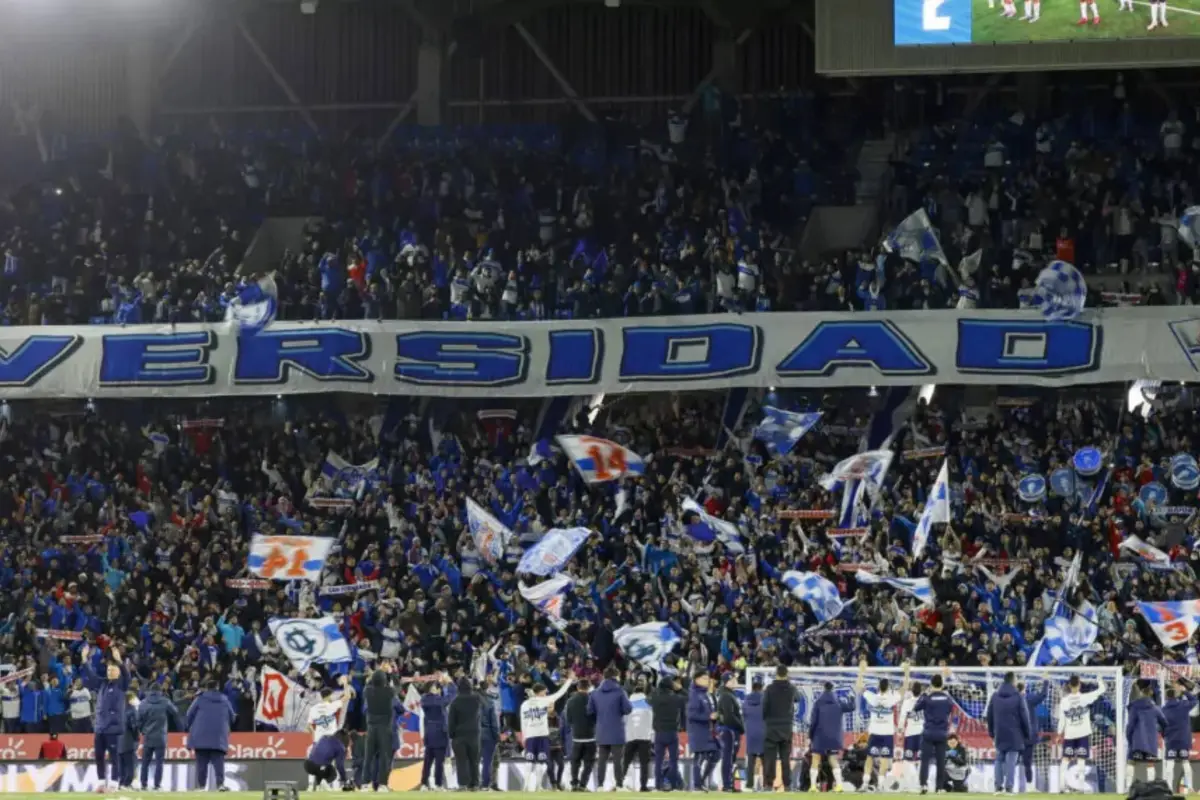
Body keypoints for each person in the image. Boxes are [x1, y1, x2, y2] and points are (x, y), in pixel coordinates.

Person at [82, 644, 129, 792]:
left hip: (113, 728)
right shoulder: (102, 684)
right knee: (99, 757)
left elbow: (127, 675)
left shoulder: (122, 685)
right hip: (100, 727)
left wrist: (119, 661)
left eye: (112, 669)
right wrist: (84, 659)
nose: (109, 671)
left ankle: (114, 784)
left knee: (114, 758)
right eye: (108, 669)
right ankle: (101, 783)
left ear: (118, 672)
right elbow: (91, 675)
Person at [520, 673, 575, 792]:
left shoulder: (524, 704)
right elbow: (560, 693)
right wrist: (569, 680)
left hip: (530, 736)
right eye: (544, 692)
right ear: (539, 692)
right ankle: (538, 786)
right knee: (540, 761)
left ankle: (526, 785)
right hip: (542, 735)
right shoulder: (544, 701)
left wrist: (523, 738)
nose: (546, 694)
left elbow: (523, 722)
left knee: (530, 761)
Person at [860, 661, 909, 792]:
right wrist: (906, 672)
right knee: (884, 759)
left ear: (878, 687)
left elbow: (859, 687)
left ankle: (865, 784)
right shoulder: (891, 698)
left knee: (869, 758)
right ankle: (881, 785)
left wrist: (862, 670)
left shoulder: (873, 697)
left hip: (874, 733)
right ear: (888, 688)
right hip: (887, 733)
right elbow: (904, 689)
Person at [1056, 674, 1105, 792]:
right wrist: (1099, 679)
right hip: (1083, 733)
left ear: (1069, 685)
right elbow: (1102, 689)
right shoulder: (1085, 697)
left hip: (1070, 734)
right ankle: (1081, 787)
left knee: (1065, 760)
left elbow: (1062, 719)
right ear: (1079, 685)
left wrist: (1058, 733)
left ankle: (1061, 786)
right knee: (1081, 760)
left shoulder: (1064, 701)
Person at [186, 679, 236, 792]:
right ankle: (220, 785)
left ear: (206, 688)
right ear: (217, 687)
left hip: (200, 734)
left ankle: (201, 786)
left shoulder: (199, 699)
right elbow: (232, 717)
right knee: (218, 761)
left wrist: (189, 727)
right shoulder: (225, 700)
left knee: (201, 763)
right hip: (218, 735)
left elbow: (189, 714)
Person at [985, 671, 1031, 794]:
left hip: (999, 733)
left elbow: (989, 716)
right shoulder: (1018, 697)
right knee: (1011, 760)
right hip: (1015, 733)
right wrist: (1027, 733)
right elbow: (1024, 717)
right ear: (1013, 681)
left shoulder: (995, 696)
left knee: (999, 759)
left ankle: (998, 787)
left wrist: (991, 732)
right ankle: (1009, 787)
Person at [588, 667, 631, 791]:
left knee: (602, 760)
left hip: (601, 730)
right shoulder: (620, 691)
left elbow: (590, 711)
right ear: (615, 676)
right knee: (618, 760)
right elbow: (628, 709)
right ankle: (619, 785)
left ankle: (600, 786)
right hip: (617, 730)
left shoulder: (595, 693)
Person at [808, 679, 855, 792]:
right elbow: (852, 707)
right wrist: (852, 698)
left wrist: (810, 735)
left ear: (823, 689)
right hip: (834, 737)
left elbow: (813, 721)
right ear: (832, 689)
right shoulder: (838, 703)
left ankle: (813, 786)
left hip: (819, 736)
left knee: (815, 760)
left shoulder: (818, 703)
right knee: (833, 760)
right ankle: (839, 786)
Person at [913, 670, 953, 794]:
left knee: (925, 760)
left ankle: (923, 785)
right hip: (942, 733)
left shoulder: (927, 697)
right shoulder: (947, 699)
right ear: (941, 684)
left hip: (929, 732)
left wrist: (924, 694)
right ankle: (939, 787)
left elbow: (916, 707)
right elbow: (949, 710)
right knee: (941, 761)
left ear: (931, 684)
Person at [138, 684, 181, 791]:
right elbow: (175, 712)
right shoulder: (165, 701)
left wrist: (142, 730)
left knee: (145, 762)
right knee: (159, 762)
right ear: (160, 691)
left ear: (150, 690)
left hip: (147, 736)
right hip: (161, 736)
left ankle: (143, 784)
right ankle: (157, 785)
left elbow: (139, 719)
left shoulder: (144, 702)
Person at [762, 665, 798, 791]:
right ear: (786, 674)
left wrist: (766, 720)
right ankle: (787, 784)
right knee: (785, 759)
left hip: (771, 727)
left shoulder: (769, 689)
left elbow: (764, 707)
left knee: (770, 759)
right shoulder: (791, 688)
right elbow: (798, 698)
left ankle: (768, 784)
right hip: (786, 728)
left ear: (776, 674)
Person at [362, 665, 398, 792]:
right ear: (384, 680)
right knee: (384, 757)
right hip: (384, 728)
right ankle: (383, 784)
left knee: (368, 757)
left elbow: (368, 683)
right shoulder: (389, 692)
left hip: (371, 727)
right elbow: (396, 687)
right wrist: (391, 673)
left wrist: (373, 676)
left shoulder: (368, 691)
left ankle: (365, 784)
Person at [649, 676, 686, 791]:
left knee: (658, 761)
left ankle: (658, 785)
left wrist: (657, 689)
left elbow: (647, 699)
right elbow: (688, 697)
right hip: (672, 732)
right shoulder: (675, 698)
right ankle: (674, 785)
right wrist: (680, 689)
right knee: (673, 761)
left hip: (659, 732)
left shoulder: (655, 698)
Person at [1127, 682, 1167, 784]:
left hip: (1136, 742)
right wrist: (1162, 734)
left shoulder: (1134, 707)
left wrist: (1129, 738)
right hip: (1151, 742)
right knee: (1150, 765)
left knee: (1131, 762)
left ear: (1141, 693)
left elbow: (1130, 725)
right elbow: (1165, 723)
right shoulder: (1155, 708)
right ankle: (1150, 788)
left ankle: (1128, 787)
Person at [448, 677, 484, 791]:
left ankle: (463, 784)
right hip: (474, 734)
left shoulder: (455, 701)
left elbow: (451, 721)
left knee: (461, 760)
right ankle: (475, 784)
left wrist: (451, 734)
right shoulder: (477, 699)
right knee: (474, 760)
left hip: (459, 735)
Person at [686, 672, 719, 791]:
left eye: (707, 677)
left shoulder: (704, 694)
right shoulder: (694, 695)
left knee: (716, 754)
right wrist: (708, 716)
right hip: (698, 731)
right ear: (696, 679)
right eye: (704, 678)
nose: (707, 680)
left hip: (709, 731)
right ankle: (697, 785)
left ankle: (703, 780)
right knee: (699, 757)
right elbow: (691, 715)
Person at [420, 676, 453, 791]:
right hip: (439, 734)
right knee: (437, 762)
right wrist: (450, 684)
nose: (436, 689)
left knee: (429, 762)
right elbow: (450, 698)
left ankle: (424, 784)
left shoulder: (425, 699)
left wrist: (443, 687)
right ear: (430, 688)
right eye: (435, 686)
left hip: (430, 734)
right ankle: (438, 784)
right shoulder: (433, 700)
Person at [620, 677, 653, 792]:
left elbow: (623, 721)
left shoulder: (628, 704)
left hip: (630, 737)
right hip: (644, 737)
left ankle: (619, 783)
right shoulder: (648, 704)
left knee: (625, 762)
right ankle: (643, 786)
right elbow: (652, 721)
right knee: (644, 763)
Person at [1163, 683, 1197, 792]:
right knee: (1185, 762)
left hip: (1171, 740)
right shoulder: (1183, 705)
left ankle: (1168, 787)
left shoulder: (1163, 709)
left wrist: (1165, 736)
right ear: (1175, 696)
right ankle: (1190, 787)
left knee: (1170, 763)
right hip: (1183, 739)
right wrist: (1185, 691)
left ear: (1166, 697)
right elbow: (1194, 701)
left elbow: (1161, 725)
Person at [565, 679, 597, 790]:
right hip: (590, 736)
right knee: (589, 763)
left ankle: (574, 784)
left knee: (575, 761)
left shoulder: (570, 701)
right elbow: (596, 718)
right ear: (588, 687)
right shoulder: (593, 700)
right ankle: (583, 785)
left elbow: (568, 719)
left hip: (577, 737)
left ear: (578, 687)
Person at [717, 673, 745, 792]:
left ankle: (731, 784)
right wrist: (740, 727)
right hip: (730, 730)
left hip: (731, 730)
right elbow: (729, 716)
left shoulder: (728, 694)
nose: (735, 680)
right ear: (727, 681)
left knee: (731, 758)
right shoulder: (726, 696)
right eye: (733, 679)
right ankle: (727, 784)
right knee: (728, 758)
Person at [1017, 680, 1046, 792]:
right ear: (1024, 689)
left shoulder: (1010, 700)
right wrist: (1046, 681)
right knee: (1027, 763)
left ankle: (1006, 785)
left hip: (1015, 737)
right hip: (1028, 737)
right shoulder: (1028, 698)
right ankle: (1029, 786)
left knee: (1010, 761)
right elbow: (1043, 695)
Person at [898, 683, 924, 791]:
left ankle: (906, 784)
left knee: (907, 760)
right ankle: (920, 784)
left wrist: (900, 731)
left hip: (910, 734)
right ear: (921, 691)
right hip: (922, 733)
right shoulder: (924, 702)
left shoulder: (907, 702)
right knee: (920, 760)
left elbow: (902, 718)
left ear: (911, 691)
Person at [744, 680, 766, 792]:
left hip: (751, 733)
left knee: (751, 761)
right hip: (764, 732)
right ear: (761, 689)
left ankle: (749, 785)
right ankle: (766, 785)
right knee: (765, 760)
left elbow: (744, 715)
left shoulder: (746, 700)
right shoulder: (765, 700)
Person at [480, 680, 502, 791]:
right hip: (490, 733)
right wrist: (497, 735)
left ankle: (492, 784)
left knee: (494, 761)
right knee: (489, 761)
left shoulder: (493, 699)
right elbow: (494, 721)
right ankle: (485, 784)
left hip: (480, 733)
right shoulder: (489, 702)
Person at [118, 692, 140, 790]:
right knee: (130, 764)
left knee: (121, 765)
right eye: (134, 697)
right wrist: (136, 738)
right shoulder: (132, 710)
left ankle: (121, 783)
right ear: (130, 699)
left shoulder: (118, 710)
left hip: (118, 742)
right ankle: (127, 783)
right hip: (128, 741)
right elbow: (134, 726)